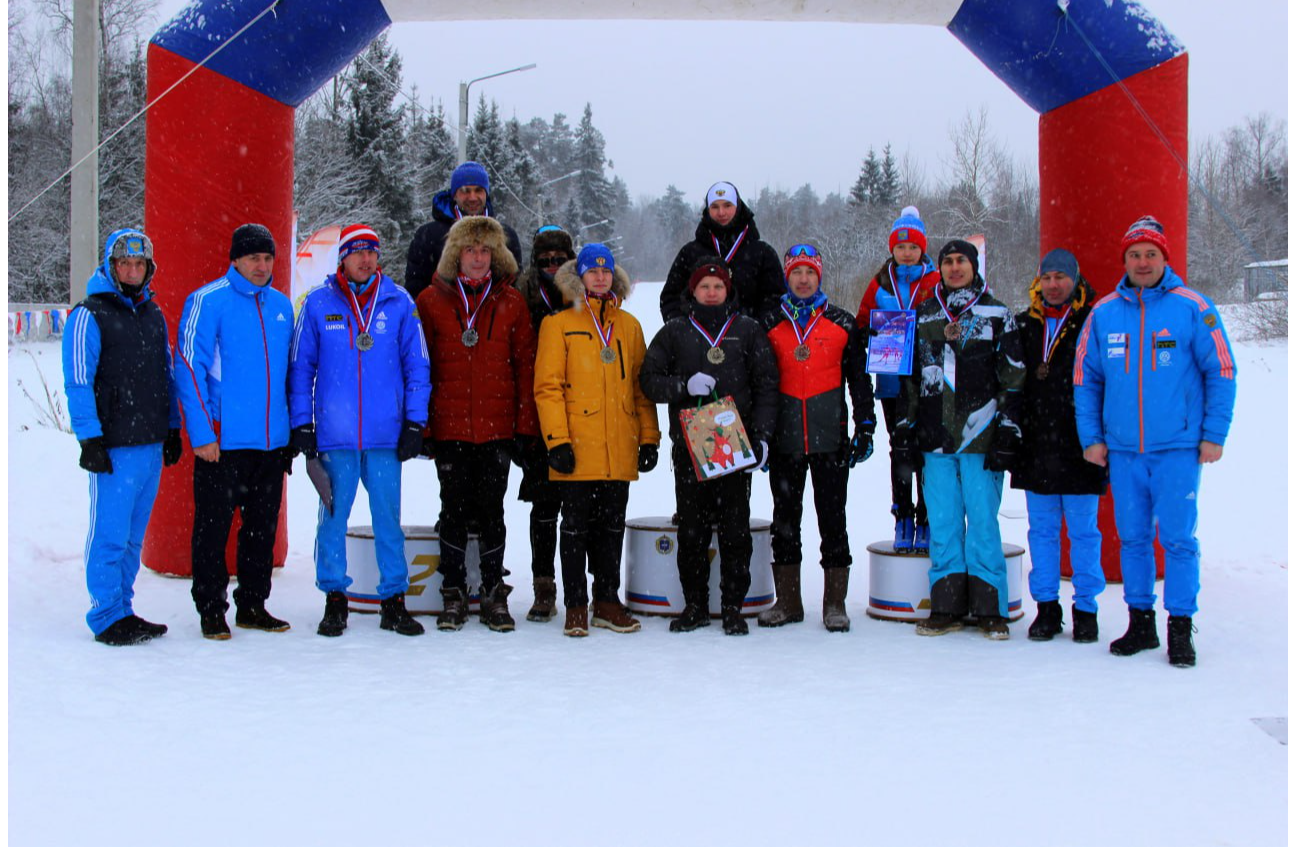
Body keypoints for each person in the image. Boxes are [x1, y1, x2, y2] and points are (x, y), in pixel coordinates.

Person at [1075, 215, 1237, 668]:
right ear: (1123, 260)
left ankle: (1180, 628)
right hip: (1125, 451)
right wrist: (1093, 438)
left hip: (1179, 449)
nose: (1142, 263)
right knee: (1132, 538)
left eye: (1150, 254)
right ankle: (1140, 622)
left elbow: (1221, 370)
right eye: (1134, 255)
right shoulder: (1104, 313)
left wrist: (1213, 435)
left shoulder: (1192, 307)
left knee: (1180, 539)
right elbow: (1085, 380)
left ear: (1165, 258)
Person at [289, 224, 432, 638]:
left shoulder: (399, 302)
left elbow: (418, 368)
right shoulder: (318, 304)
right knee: (333, 518)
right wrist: (303, 425)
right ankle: (335, 598)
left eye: (372, 251)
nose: (366, 259)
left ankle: (393, 600)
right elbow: (301, 370)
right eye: (357, 252)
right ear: (342, 258)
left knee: (388, 519)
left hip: (386, 437)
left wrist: (414, 422)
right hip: (336, 438)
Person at [641, 258, 779, 635]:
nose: (712, 292)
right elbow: (648, 380)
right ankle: (696, 605)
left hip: (735, 448)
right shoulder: (675, 332)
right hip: (690, 448)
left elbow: (768, 387)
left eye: (718, 286)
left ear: (727, 290)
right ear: (693, 290)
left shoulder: (748, 330)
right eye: (705, 286)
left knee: (736, 531)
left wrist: (762, 437)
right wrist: (683, 386)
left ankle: (733, 606)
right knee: (692, 531)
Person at [416, 216, 539, 633]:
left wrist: (524, 428)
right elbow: (420, 368)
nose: (478, 258)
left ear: (496, 255)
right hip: (449, 426)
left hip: (496, 428)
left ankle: (492, 593)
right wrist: (423, 427)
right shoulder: (430, 301)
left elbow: (525, 368)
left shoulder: (511, 303)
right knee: (452, 511)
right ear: (456, 254)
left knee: (492, 512)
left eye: (485, 250)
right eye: (470, 250)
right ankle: (452, 593)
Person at [898, 239, 1025, 640]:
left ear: (974, 266)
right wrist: (906, 427)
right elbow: (913, 380)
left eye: (961, 262)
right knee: (944, 522)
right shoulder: (925, 314)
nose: (955, 268)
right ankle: (947, 604)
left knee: (983, 522)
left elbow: (1013, 377)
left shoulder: (997, 313)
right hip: (935, 440)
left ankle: (990, 607)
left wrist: (1008, 427)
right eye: (948, 262)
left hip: (981, 439)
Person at [534, 243, 661, 637]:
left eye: (607, 271)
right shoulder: (558, 323)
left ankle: (607, 600)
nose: (601, 277)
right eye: (593, 271)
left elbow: (641, 390)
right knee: (573, 529)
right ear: (580, 277)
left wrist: (649, 437)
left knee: (611, 527)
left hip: (618, 447)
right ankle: (576, 604)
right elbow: (547, 389)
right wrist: (557, 442)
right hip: (577, 448)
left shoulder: (629, 326)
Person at [176, 223, 295, 640]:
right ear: (236, 259)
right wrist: (203, 432)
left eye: (268, 258)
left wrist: (291, 430)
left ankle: (253, 604)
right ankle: (211, 608)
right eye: (253, 258)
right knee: (213, 528)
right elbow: (189, 367)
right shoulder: (208, 300)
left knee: (260, 528)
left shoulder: (282, 306)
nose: (262, 266)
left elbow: (291, 376)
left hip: (270, 442)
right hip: (222, 443)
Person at [63, 228, 183, 645]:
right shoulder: (89, 314)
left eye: (139, 264)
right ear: (111, 266)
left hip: (149, 442)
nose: (132, 271)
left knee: (134, 535)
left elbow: (165, 375)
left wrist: (172, 426)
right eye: (124, 263)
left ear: (149, 269)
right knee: (111, 533)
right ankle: (105, 613)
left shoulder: (152, 313)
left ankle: (124, 608)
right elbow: (78, 382)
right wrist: (89, 439)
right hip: (113, 445)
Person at [758, 244, 875, 632]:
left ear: (819, 276)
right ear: (787, 278)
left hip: (831, 440)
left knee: (833, 520)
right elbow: (759, 383)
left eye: (810, 272)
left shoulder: (842, 322)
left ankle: (834, 604)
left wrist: (867, 424)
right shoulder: (769, 321)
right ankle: (788, 601)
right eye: (796, 273)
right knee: (785, 521)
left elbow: (859, 380)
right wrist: (758, 434)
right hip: (785, 441)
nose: (804, 280)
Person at [1011, 249, 1108, 643]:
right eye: (1047, 277)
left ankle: (1086, 607)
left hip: (1082, 442)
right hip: (1037, 443)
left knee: (1084, 532)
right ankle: (1047, 607)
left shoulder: (1094, 320)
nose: (1053, 284)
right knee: (1043, 532)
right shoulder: (1025, 323)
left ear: (1075, 279)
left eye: (1061, 277)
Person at [855, 206, 941, 553]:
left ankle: (927, 517)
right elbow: (862, 322)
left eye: (913, 247)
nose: (907, 252)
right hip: (892, 380)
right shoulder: (879, 283)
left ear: (923, 249)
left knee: (928, 450)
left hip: (928, 380)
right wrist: (870, 332)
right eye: (901, 246)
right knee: (900, 449)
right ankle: (902, 515)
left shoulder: (935, 281)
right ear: (892, 249)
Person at [514, 224, 577, 622]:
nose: (552, 266)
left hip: (580, 410)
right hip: (538, 410)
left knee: (578, 510)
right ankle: (543, 585)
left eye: (559, 259)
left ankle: (579, 590)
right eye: (545, 261)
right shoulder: (521, 294)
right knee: (543, 508)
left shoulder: (584, 291)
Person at [659, 181, 785, 322]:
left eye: (727, 205)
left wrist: (755, 333)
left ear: (738, 207)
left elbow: (775, 299)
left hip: (749, 342)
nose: (721, 212)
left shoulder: (762, 253)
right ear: (707, 210)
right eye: (715, 207)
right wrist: (685, 332)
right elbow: (670, 299)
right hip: (701, 342)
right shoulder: (690, 253)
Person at [405, 160, 523, 302]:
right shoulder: (428, 234)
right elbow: (415, 290)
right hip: (444, 320)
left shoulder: (506, 235)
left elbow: (513, 288)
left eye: (478, 190)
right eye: (465, 191)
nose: (472, 197)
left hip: (494, 320)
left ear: (486, 193)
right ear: (454, 195)